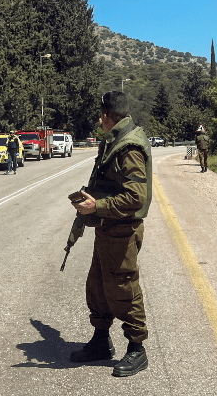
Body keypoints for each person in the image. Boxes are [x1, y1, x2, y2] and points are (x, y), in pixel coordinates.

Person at [69, 91, 153, 377]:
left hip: (122, 230)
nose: (98, 119)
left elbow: (136, 198)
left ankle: (136, 349)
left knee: (123, 288)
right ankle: (100, 342)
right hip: (108, 227)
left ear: (108, 115)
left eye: (100, 114)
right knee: (97, 286)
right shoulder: (115, 139)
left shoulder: (129, 146)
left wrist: (97, 205)